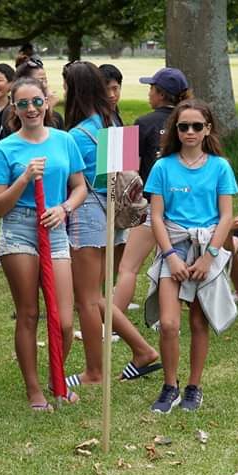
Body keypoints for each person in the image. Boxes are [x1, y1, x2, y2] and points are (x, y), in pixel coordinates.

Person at [0, 77, 88, 410]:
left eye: (36, 102)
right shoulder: (4, 149)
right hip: (18, 228)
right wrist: (25, 178)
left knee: (64, 320)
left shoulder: (64, 140)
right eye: (23, 104)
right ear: (14, 108)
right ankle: (34, 390)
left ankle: (55, 378)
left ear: (46, 102)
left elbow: (79, 187)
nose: (30, 109)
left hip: (54, 225)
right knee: (29, 314)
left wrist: (64, 208)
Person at [62, 61, 160, 388]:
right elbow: (127, 174)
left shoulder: (76, 134)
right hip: (117, 214)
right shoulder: (114, 123)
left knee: (87, 298)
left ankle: (94, 372)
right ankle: (143, 350)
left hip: (90, 213)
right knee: (100, 295)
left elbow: (69, 179)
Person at [143, 99, 238, 413]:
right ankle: (170, 386)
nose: (190, 131)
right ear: (176, 130)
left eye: (197, 125)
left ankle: (193, 387)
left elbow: (226, 215)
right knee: (169, 324)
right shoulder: (163, 166)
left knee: (199, 321)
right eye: (183, 126)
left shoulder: (219, 166)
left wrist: (209, 257)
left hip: (206, 247)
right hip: (175, 246)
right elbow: (156, 216)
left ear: (207, 128)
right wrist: (170, 256)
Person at [113, 67, 191, 313]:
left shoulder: (144, 122)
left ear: (160, 94)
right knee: (168, 262)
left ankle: (111, 325)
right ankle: (164, 319)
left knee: (128, 268)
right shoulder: (191, 123)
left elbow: (125, 168)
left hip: (149, 208)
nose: (149, 94)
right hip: (182, 208)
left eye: (151, 89)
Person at [0, 58, 64, 139]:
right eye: (40, 80)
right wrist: (48, 109)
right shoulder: (11, 112)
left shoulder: (58, 120)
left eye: (45, 80)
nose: (44, 85)